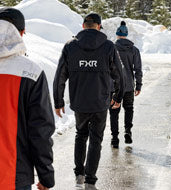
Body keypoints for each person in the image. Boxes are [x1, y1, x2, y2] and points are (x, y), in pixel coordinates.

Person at [53, 13, 124, 190]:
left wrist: (58, 100)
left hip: (80, 102)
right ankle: (90, 180)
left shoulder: (70, 46)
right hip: (100, 102)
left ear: (83, 26)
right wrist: (118, 96)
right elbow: (119, 75)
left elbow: (60, 75)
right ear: (99, 26)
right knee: (96, 139)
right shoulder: (108, 46)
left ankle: (79, 174)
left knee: (81, 135)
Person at [0, 8, 55, 190]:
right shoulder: (31, 73)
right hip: (12, 176)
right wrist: (46, 175)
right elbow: (40, 131)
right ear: (21, 33)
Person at [110, 21, 143, 148]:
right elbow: (138, 69)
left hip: (114, 86)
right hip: (129, 85)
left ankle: (114, 138)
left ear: (117, 34)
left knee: (114, 111)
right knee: (128, 108)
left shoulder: (111, 48)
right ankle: (128, 131)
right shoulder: (134, 50)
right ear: (127, 34)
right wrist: (138, 85)